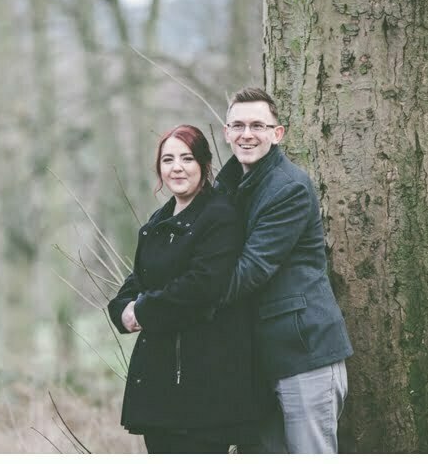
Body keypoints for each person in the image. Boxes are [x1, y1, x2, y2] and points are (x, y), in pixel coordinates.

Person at [107, 124, 270, 454]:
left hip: (202, 383)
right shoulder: (156, 222)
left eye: (186, 158)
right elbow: (137, 280)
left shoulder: (220, 216)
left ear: (204, 165)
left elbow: (202, 287)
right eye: (168, 160)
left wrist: (142, 310)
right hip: (159, 382)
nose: (176, 167)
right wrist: (123, 310)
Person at [214, 87, 354, 454]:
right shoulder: (226, 187)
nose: (247, 134)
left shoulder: (287, 188)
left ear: (278, 134)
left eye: (258, 125)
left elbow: (251, 270)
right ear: (226, 132)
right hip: (258, 359)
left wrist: (185, 298)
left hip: (303, 351)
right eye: (239, 125)